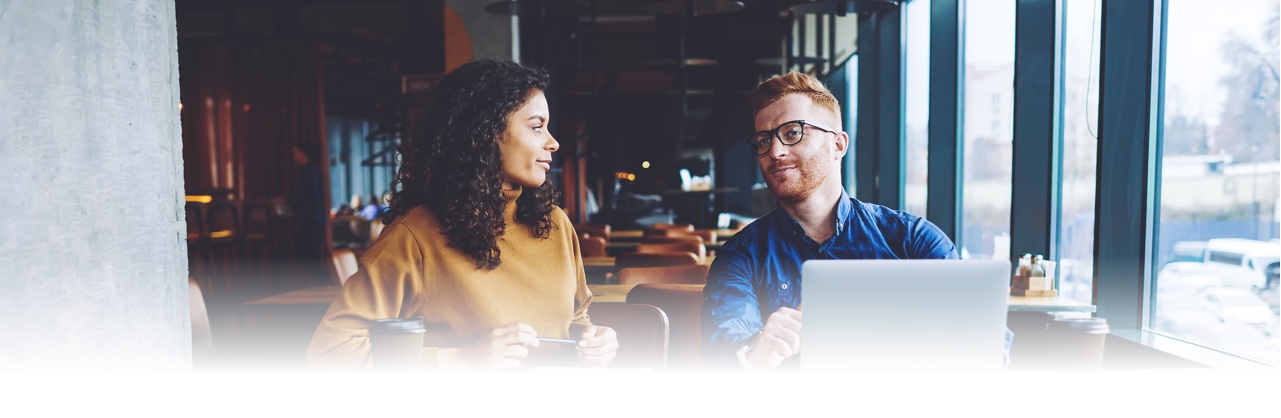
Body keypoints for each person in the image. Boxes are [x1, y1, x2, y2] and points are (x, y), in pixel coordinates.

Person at [306, 60, 618, 370]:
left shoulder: (555, 225)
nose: (553, 142)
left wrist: (592, 341)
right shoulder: (414, 237)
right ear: (486, 133)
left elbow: (576, 318)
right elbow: (330, 353)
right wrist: (460, 360)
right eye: (537, 127)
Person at [701, 72, 1011, 371]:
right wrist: (756, 354)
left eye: (793, 133)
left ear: (837, 145)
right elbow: (723, 352)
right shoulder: (739, 256)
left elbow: (988, 341)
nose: (776, 151)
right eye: (764, 140)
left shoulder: (913, 240)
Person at [289, 143, 327, 261]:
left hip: (309, 218)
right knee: (311, 255)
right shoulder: (310, 171)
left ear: (303, 153)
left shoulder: (309, 171)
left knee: (310, 255)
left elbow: (308, 195)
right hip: (313, 217)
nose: (294, 155)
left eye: (296, 152)